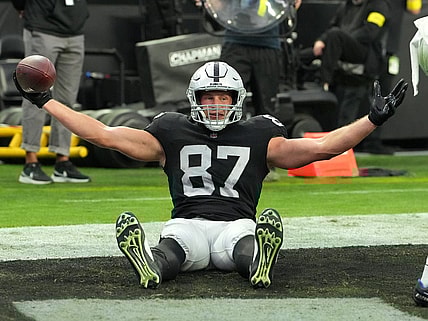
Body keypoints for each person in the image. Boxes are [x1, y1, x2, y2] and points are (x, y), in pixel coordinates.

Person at [12, 61, 408, 288]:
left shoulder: (258, 134)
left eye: (223, 97)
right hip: (200, 223)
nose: (216, 105)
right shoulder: (174, 132)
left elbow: (322, 148)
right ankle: (157, 264)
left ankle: (254, 262)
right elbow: (103, 134)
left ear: (237, 100)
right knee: (181, 249)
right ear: (195, 100)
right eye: (209, 97)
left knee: (231, 246)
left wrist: (46, 101)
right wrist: (373, 119)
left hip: (224, 225)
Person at [195, 0, 302, 181]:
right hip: (237, 43)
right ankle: (225, 161)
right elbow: (219, 6)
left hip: (267, 43)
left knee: (266, 106)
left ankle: (266, 163)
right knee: (228, 103)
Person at [11, 0, 91, 184]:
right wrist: (23, 8)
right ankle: (30, 161)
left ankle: (62, 160)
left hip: (74, 30)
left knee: (67, 100)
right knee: (35, 95)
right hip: (42, 27)